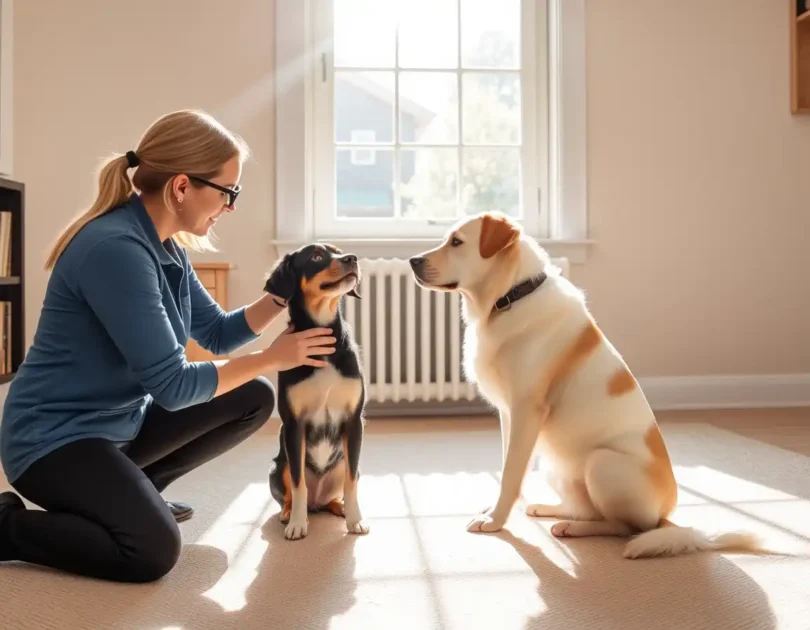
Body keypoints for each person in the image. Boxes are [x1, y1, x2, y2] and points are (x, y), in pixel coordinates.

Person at [0, 109, 337, 583]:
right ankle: (7, 526)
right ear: (182, 187)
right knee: (151, 551)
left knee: (253, 395)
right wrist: (272, 357)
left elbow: (218, 333)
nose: (230, 206)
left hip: (117, 426)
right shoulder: (115, 249)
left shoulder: (164, 245)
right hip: (53, 440)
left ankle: (138, 489)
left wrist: (285, 290)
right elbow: (175, 387)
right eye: (228, 192)